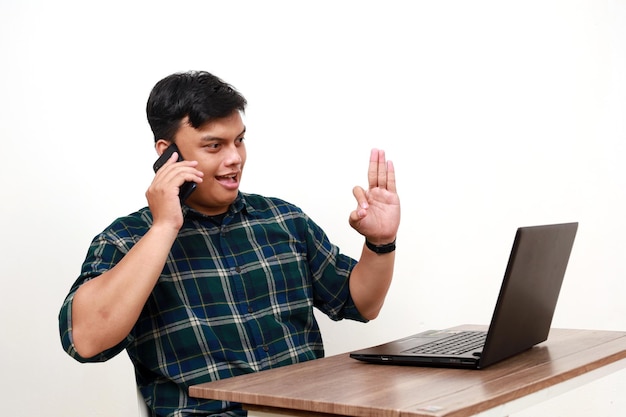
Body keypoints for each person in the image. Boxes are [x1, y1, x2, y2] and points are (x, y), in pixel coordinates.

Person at [59, 70, 401, 416]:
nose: (235, 157)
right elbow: (86, 341)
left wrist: (380, 242)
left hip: (305, 410)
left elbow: (362, 303)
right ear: (167, 154)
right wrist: (165, 225)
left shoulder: (283, 219)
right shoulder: (126, 240)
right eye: (214, 145)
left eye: (239, 140)